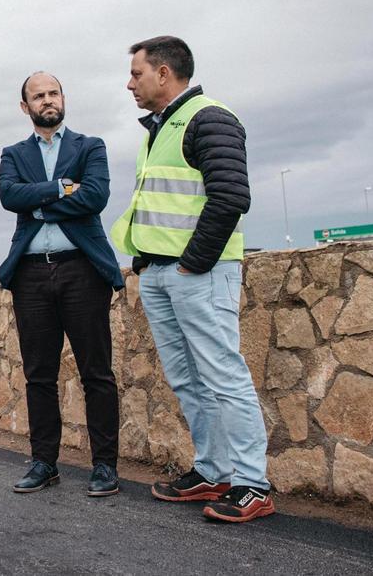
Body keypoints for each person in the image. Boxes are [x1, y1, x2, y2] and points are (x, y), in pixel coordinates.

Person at [110, 35, 273, 523]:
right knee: (187, 379)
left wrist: (192, 263)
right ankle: (213, 470)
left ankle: (252, 484)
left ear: (164, 73)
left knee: (223, 376)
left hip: (197, 272)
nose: (129, 83)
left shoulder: (210, 118)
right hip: (160, 273)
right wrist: (148, 265)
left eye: (136, 73)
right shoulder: (158, 129)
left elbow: (230, 196)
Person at [0, 72, 124, 497]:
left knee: (96, 372)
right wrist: (60, 189)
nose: (47, 101)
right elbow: (10, 197)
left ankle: (105, 466)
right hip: (31, 274)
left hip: (81, 270)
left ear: (63, 97)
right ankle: (44, 463)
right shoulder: (13, 153)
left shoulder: (90, 147)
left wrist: (40, 203)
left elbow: (96, 197)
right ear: (25, 107)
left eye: (53, 93)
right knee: (38, 375)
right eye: (38, 96)